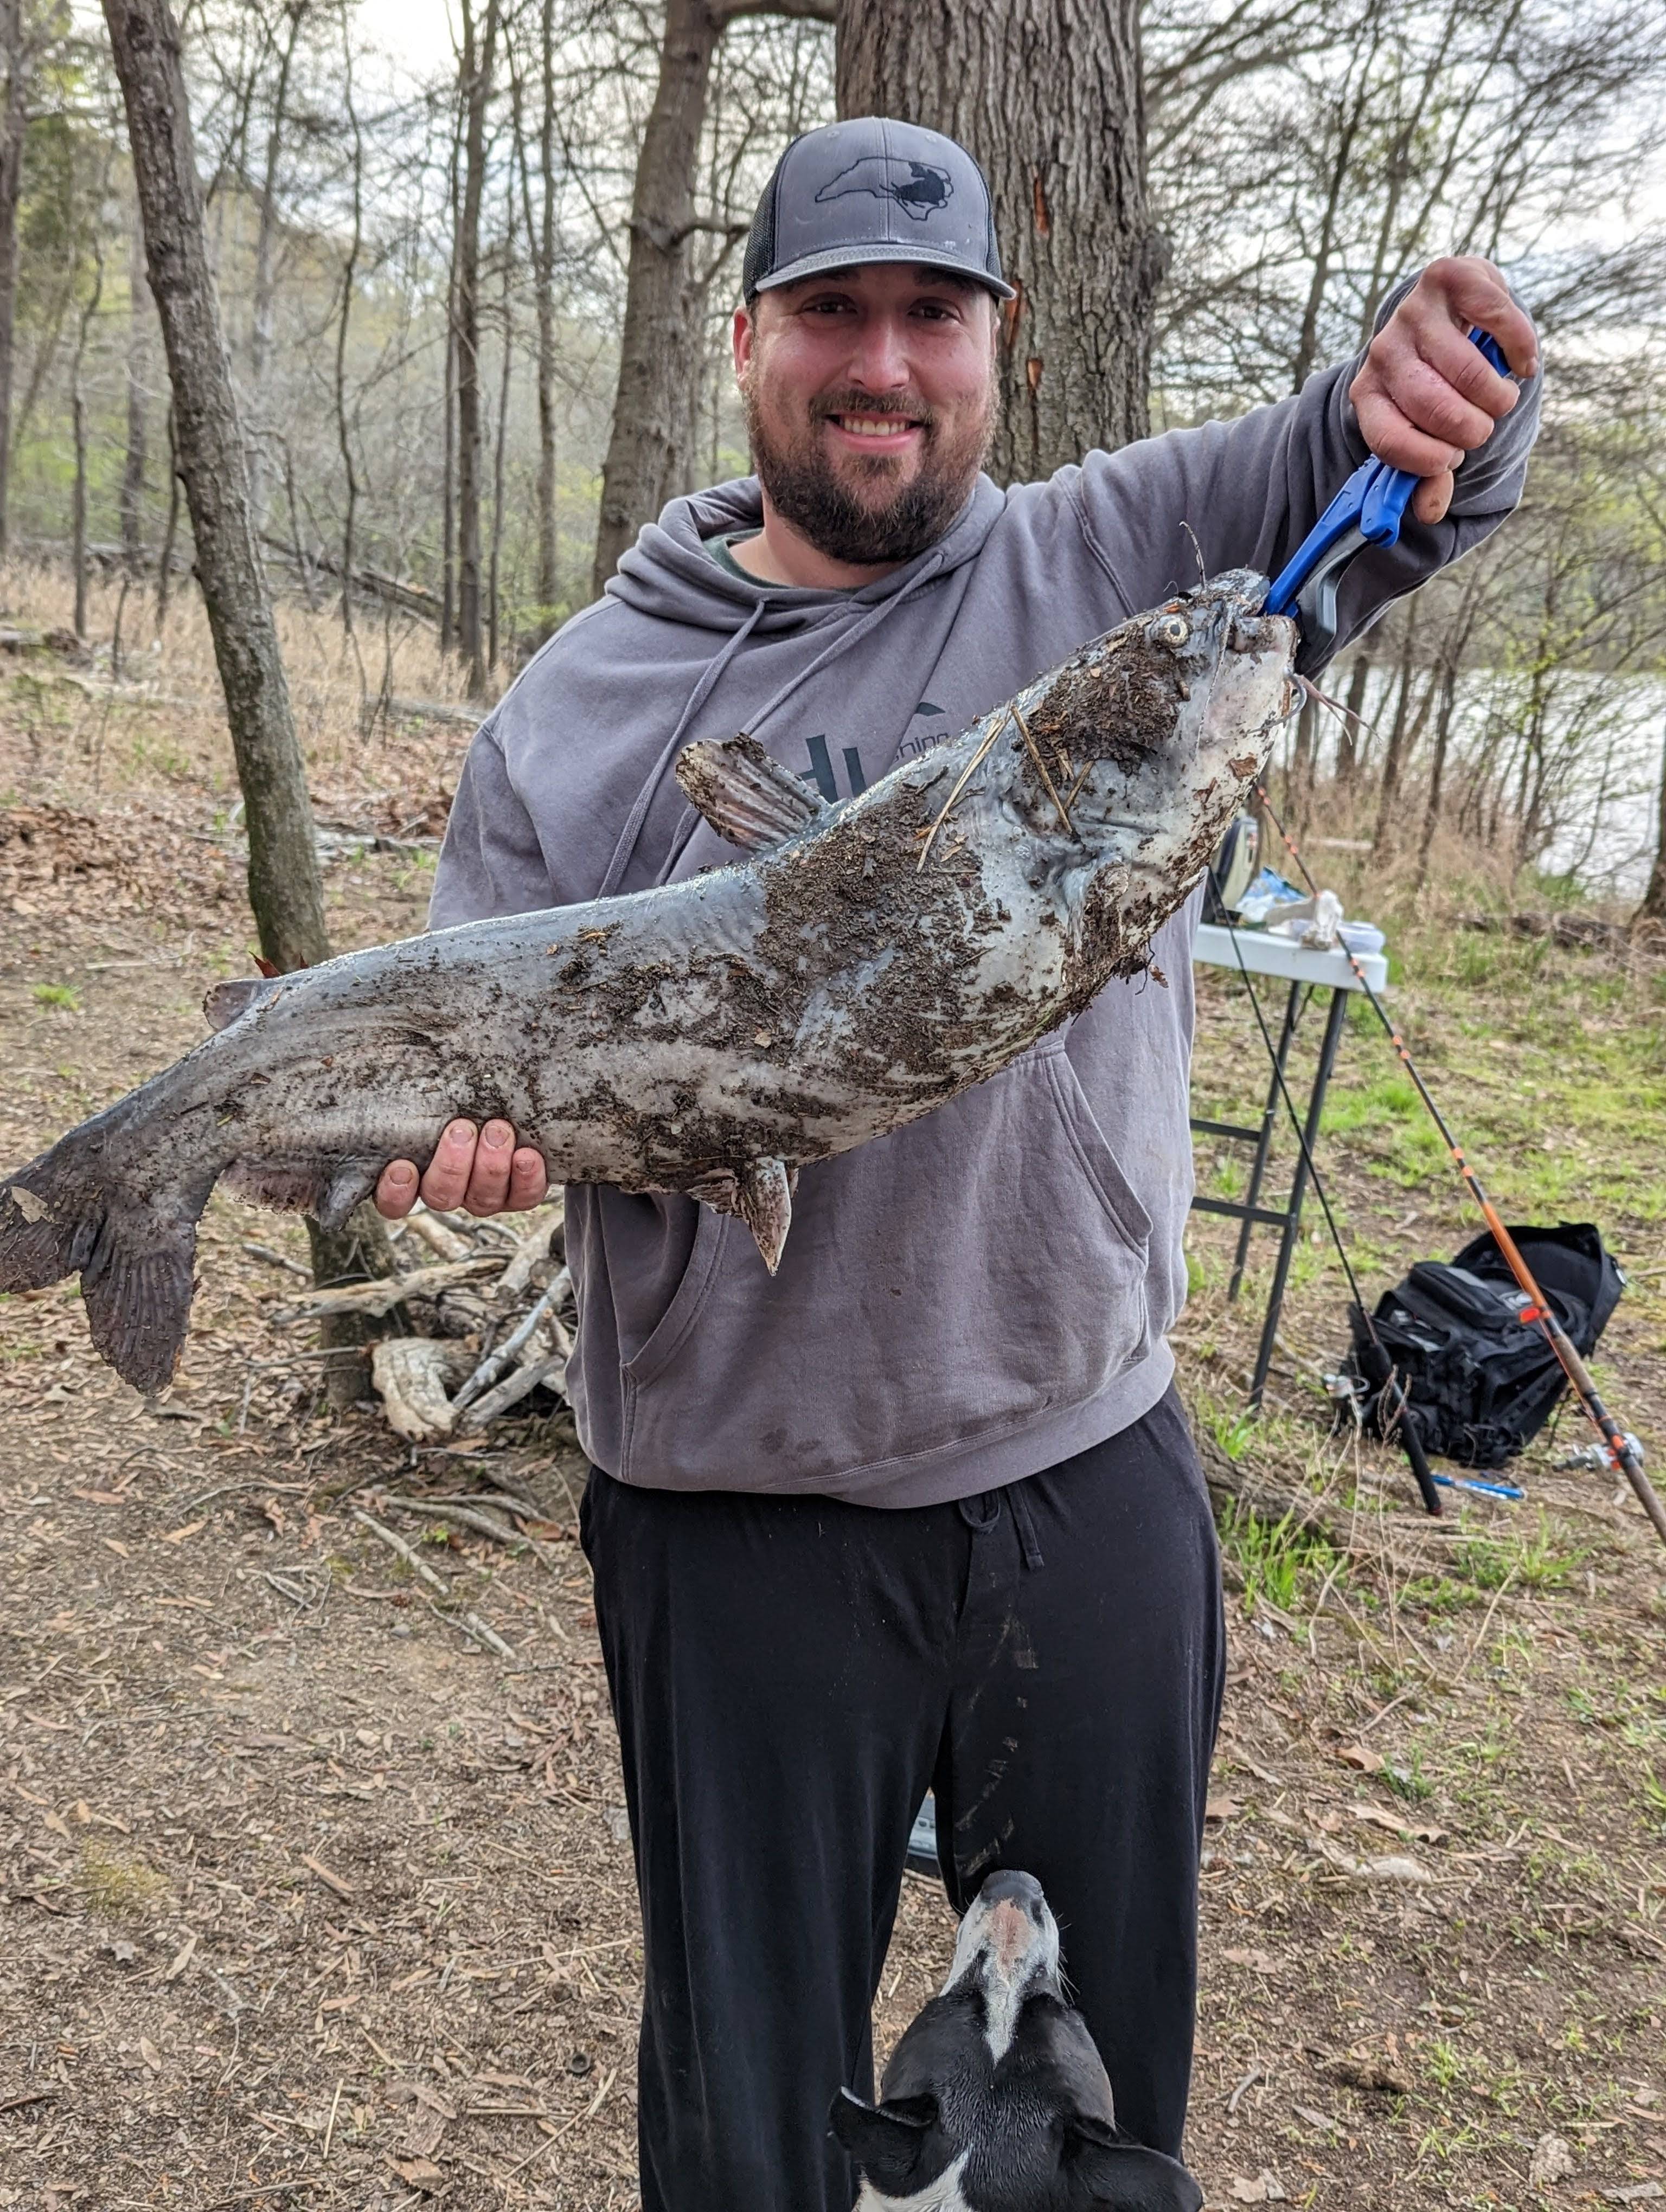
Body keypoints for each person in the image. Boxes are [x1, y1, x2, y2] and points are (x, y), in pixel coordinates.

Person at [375, 116, 1541, 2212]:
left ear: (1003, 343)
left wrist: (1458, 376)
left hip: (1083, 1470)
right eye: (834, 310)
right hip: (730, 1516)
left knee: (1093, 2123)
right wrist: (475, 1154)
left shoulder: (1121, 558)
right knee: (749, 2125)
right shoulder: (577, 707)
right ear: (750, 340)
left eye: (936, 313)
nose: (885, 363)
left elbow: (1378, 467)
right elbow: (481, 1049)